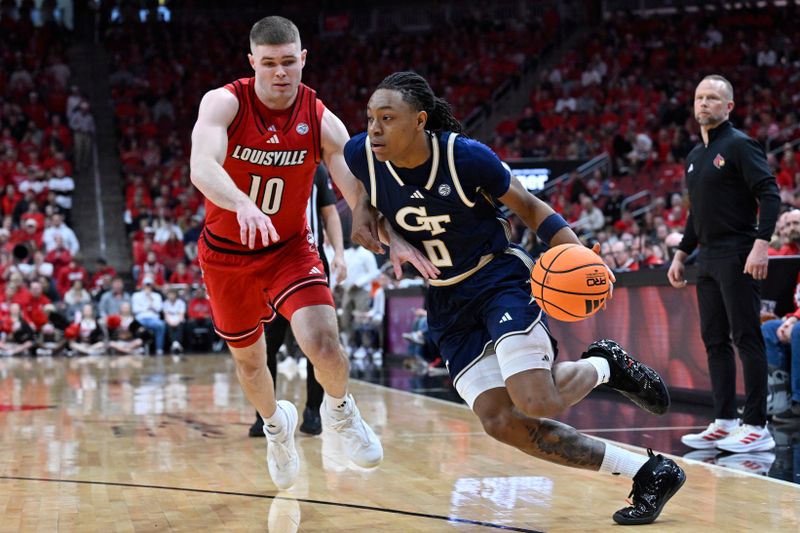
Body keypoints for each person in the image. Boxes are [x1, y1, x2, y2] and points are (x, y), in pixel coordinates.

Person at [343, 71, 683, 525]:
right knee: (501, 423)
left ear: (420, 120)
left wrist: (580, 256)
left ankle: (605, 365)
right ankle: (648, 471)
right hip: (446, 301)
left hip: (497, 279)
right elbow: (363, 191)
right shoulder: (361, 152)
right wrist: (378, 223)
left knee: (536, 399)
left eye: (387, 118)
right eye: (370, 118)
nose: (375, 128)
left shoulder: (465, 158)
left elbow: (531, 207)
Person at [189, 17, 435, 491]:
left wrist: (390, 235)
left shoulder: (319, 117)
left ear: (302, 59)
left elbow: (357, 189)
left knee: (324, 344)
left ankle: (341, 412)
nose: (280, 73)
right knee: (250, 363)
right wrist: (242, 203)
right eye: (269, 64)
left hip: (288, 250)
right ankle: (276, 428)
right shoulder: (224, 102)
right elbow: (202, 165)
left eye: (288, 62)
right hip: (226, 254)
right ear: (252, 63)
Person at [668, 75, 780, 453]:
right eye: (699, 97)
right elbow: (695, 214)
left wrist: (761, 244)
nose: (704, 104)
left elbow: (770, 194)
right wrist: (682, 253)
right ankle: (724, 420)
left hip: (738, 251)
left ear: (728, 106)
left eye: (713, 98)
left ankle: (757, 425)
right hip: (709, 258)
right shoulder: (695, 157)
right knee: (714, 340)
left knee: (746, 337)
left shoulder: (740, 145)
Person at [248, 164, 347, 437]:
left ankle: (313, 411)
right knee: (268, 343)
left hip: (310, 260)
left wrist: (339, 252)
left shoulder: (317, 169)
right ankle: (265, 415)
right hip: (270, 263)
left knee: (317, 343)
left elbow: (329, 213)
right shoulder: (258, 163)